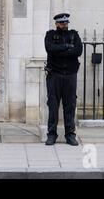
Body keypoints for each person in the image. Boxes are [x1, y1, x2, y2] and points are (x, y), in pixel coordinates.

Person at [44, 13, 83, 146]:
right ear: (56, 24)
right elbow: (50, 49)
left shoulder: (74, 35)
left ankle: (70, 135)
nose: (64, 25)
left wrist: (59, 51)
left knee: (70, 105)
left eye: (66, 23)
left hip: (70, 75)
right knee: (53, 105)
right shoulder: (50, 35)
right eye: (61, 23)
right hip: (54, 75)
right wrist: (67, 47)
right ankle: (51, 134)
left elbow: (78, 51)